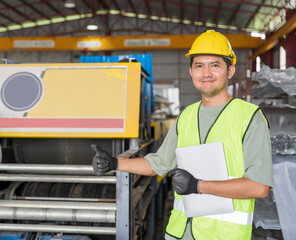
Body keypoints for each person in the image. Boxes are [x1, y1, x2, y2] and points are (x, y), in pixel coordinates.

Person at [91, 30, 274, 240]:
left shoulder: (250, 117)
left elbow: (259, 187)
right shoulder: (186, 116)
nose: (206, 72)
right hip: (179, 234)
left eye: (215, 65)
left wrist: (198, 186)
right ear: (191, 71)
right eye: (199, 65)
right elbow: (159, 163)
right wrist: (115, 164)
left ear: (230, 71)